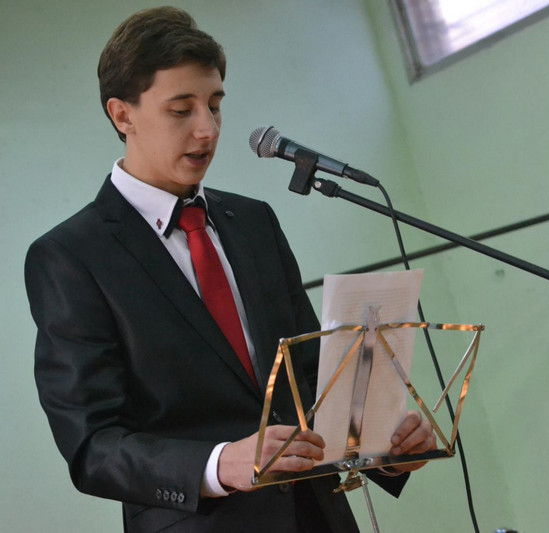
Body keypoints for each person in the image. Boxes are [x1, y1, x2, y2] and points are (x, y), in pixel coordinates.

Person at [25, 7, 435, 532]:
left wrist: (382, 446)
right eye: (181, 110)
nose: (208, 129)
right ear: (122, 115)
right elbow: (93, 446)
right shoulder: (70, 256)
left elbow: (308, 377)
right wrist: (219, 464)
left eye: (215, 106)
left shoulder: (254, 222)